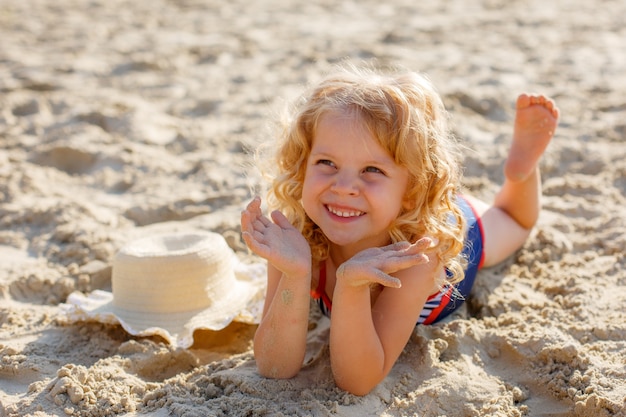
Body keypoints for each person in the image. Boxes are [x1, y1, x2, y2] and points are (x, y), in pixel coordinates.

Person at [240, 64, 559, 396]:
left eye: (372, 169)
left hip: (451, 232)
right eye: (327, 163)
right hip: (391, 211)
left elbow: (358, 380)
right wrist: (293, 272)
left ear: (413, 189)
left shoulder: (418, 255)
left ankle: (520, 173)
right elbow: (274, 367)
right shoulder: (298, 234)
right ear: (302, 165)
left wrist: (352, 286)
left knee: (515, 221)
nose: (345, 187)